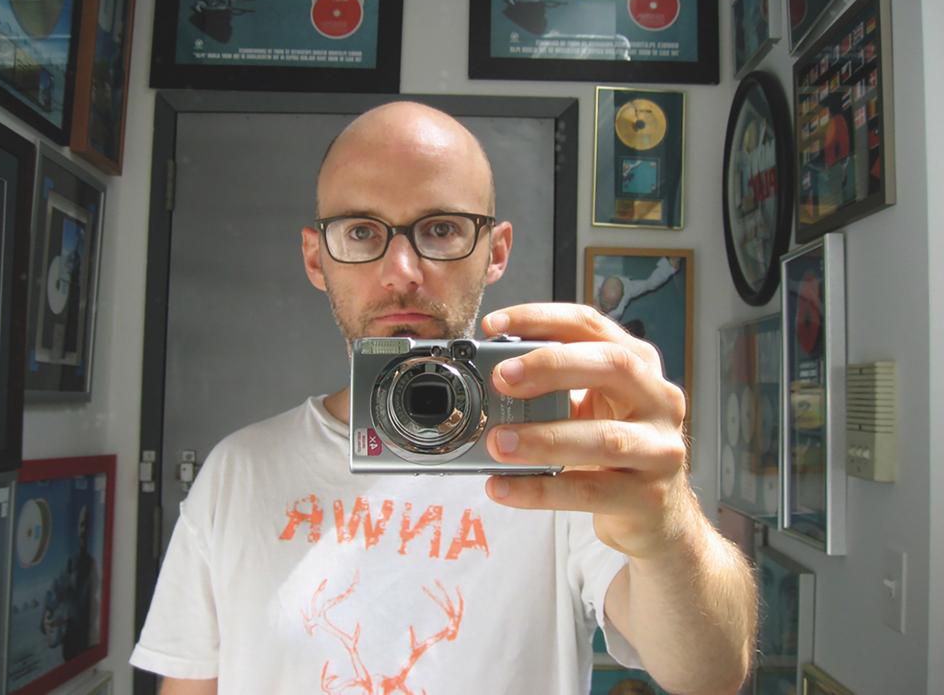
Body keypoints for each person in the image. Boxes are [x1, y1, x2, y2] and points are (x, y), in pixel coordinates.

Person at [130, 102, 756, 694]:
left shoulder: (563, 458)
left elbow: (709, 671)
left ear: (495, 252)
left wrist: (668, 523)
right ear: (317, 259)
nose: (402, 268)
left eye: (441, 228)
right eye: (359, 231)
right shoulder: (235, 473)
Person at [41, 504, 100, 661]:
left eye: (87, 526)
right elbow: (54, 593)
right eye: (81, 525)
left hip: (88, 642)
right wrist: (47, 617)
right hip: (72, 646)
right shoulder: (70, 564)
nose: (84, 531)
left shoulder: (95, 563)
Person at [595, 256, 682, 322]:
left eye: (613, 306)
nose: (608, 308)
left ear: (622, 295)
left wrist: (669, 267)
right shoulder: (590, 282)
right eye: (605, 304)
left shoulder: (628, 289)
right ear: (599, 291)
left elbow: (650, 284)